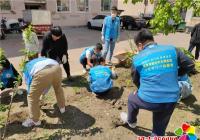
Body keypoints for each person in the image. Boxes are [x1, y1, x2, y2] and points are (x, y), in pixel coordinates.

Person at [120, 29, 195, 136]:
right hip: (171, 100)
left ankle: (131, 122)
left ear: (140, 45)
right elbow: (190, 65)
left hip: (149, 99)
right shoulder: (172, 50)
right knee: (158, 131)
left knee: (132, 98)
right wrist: (176, 75)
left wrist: (143, 89)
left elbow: (135, 80)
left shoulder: (137, 58)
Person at [22, 57, 66, 127]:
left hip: (43, 72)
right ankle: (62, 108)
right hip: (56, 67)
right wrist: (42, 94)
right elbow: (48, 83)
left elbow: (29, 85)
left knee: (31, 97)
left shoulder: (25, 68)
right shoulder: (38, 60)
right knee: (58, 89)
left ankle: (35, 120)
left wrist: (36, 96)